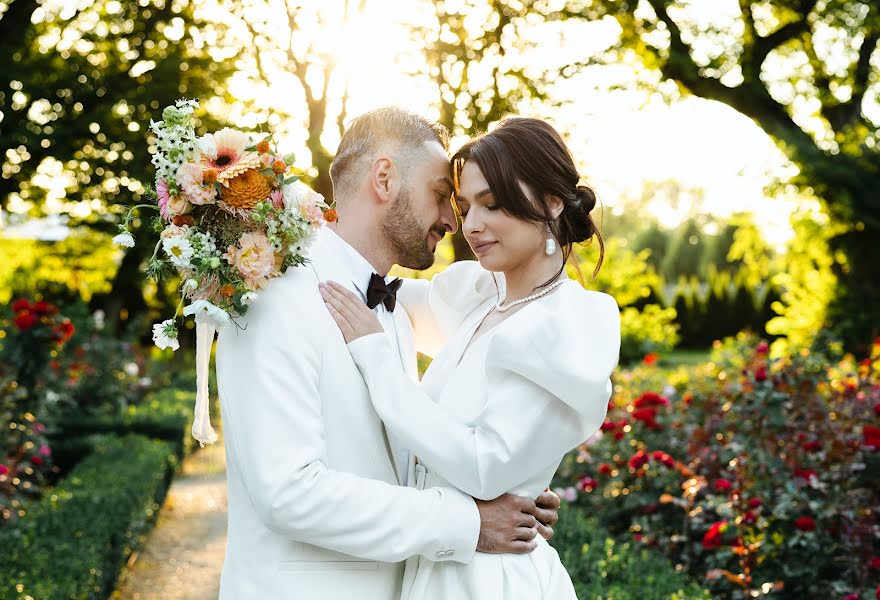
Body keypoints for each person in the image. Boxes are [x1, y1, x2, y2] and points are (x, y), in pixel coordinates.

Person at [215, 108, 560, 599]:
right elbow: (289, 492)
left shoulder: (391, 308)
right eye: (443, 196)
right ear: (384, 178)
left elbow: (402, 459)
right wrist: (470, 522)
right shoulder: (272, 295)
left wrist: (509, 493)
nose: (452, 221)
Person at [320, 116, 621, 599]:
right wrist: (296, 232)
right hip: (438, 565)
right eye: (464, 206)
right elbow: (375, 291)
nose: (471, 225)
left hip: (490, 578)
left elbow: (486, 466)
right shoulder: (480, 297)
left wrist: (375, 357)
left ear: (550, 203)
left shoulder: (565, 324)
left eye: (492, 204)